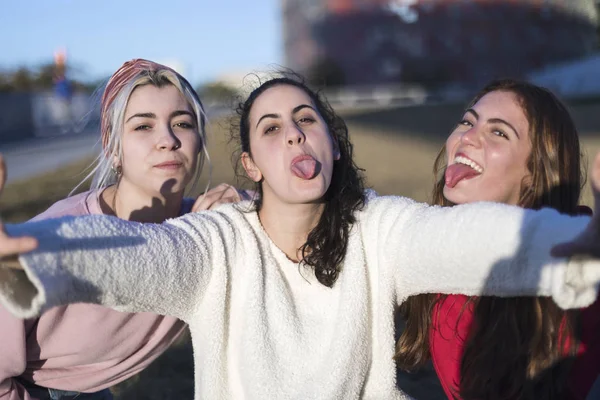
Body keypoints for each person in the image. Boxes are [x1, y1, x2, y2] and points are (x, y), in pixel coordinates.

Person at [2, 75, 600, 400]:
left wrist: (565, 246)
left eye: (306, 119)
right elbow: (137, 254)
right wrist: (40, 253)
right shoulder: (218, 243)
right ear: (252, 164)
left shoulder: (379, 228)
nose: (292, 134)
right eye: (270, 127)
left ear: (332, 147)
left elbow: (461, 239)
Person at [0, 59, 242, 400]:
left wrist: (244, 201)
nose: (167, 140)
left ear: (199, 141)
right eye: (143, 126)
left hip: (93, 390)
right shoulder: (61, 232)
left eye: (182, 123)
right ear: (113, 148)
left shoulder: (202, 230)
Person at [395, 79, 600, 400]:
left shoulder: (576, 263)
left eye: (499, 132)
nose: (467, 138)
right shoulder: (429, 242)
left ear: (535, 172)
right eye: (467, 121)